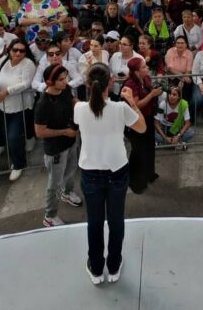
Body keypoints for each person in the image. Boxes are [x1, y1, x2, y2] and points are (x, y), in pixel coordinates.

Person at [74, 63, 145, 285]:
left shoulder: (79, 110)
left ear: (87, 84)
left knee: (94, 222)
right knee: (116, 221)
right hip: (117, 170)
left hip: (90, 171)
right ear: (111, 82)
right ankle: (113, 266)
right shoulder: (120, 109)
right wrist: (132, 102)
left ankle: (96, 269)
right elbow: (142, 127)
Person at [33, 63, 82, 228]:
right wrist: (64, 132)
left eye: (65, 78)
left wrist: (85, 108)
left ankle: (67, 193)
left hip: (70, 141)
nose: (65, 82)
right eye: (61, 79)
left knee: (72, 168)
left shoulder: (65, 89)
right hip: (55, 149)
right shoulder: (43, 104)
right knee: (54, 183)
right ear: (49, 82)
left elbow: (74, 101)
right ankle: (50, 215)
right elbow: (40, 132)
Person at [0, 40, 37, 181]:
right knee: (6, 134)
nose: (18, 53)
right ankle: (12, 150)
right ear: (9, 50)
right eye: (15, 50)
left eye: (22, 51)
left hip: (19, 107)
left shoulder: (28, 63)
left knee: (13, 137)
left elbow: (26, 83)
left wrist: (7, 91)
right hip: (1, 106)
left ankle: (19, 164)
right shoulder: (4, 60)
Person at [122, 57, 161, 194]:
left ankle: (149, 174)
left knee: (149, 147)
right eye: (144, 67)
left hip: (148, 118)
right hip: (136, 121)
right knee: (138, 151)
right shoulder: (131, 84)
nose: (147, 69)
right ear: (137, 71)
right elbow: (136, 105)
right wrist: (152, 95)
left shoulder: (146, 79)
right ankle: (136, 182)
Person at [154, 84, 193, 149]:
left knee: (190, 133)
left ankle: (164, 144)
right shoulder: (163, 104)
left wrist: (178, 136)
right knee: (152, 133)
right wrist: (165, 137)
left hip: (177, 129)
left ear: (179, 97)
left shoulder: (183, 104)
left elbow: (187, 123)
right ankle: (177, 144)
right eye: (169, 94)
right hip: (165, 128)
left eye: (174, 95)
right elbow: (156, 122)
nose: (171, 96)